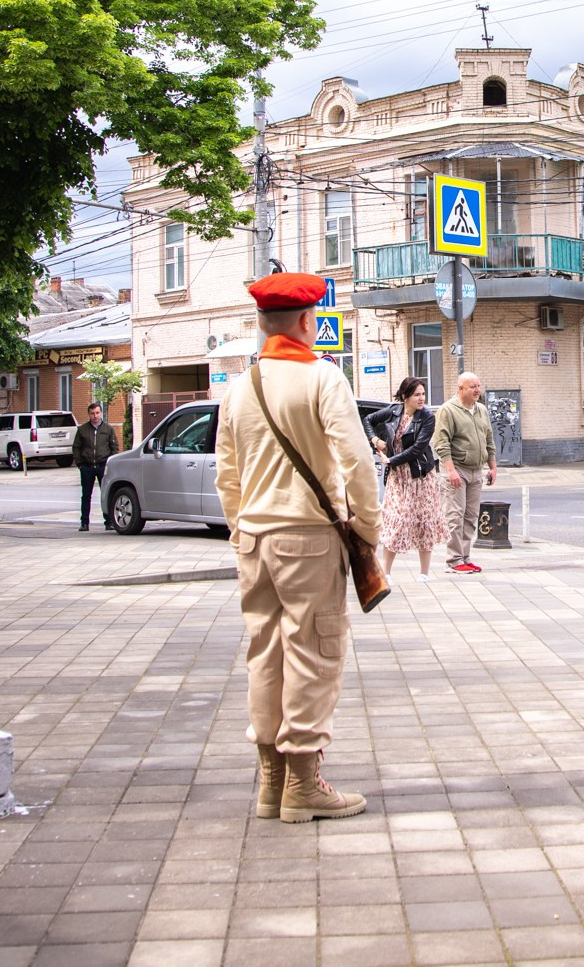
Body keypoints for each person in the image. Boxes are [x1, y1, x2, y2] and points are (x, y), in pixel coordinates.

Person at [214, 270, 380, 823]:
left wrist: (242, 530)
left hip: (254, 542)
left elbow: (227, 474)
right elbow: (356, 460)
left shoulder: (239, 387)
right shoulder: (323, 379)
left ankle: (271, 785)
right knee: (312, 653)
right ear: (309, 321)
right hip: (308, 539)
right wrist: (368, 531)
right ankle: (304, 787)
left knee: (266, 655)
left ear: (264, 323)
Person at [367, 377, 443, 581]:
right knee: (396, 521)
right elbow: (368, 420)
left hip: (419, 477)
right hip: (397, 478)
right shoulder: (394, 411)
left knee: (423, 521)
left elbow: (417, 448)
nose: (421, 398)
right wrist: (375, 440)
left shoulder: (427, 417)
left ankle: (424, 573)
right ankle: (386, 572)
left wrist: (390, 460)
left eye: (423, 394)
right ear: (405, 396)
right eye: (417, 394)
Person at [434, 370, 497, 575]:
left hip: (476, 470)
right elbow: (441, 443)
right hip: (457, 470)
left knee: (471, 516)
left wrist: (493, 466)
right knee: (455, 515)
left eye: (478, 385)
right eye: (473, 386)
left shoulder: (481, 410)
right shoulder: (448, 410)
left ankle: (465, 557)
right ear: (461, 389)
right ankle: (453, 560)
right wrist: (450, 471)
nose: (477, 390)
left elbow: (489, 439)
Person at [74, 401, 119, 532]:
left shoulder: (108, 429)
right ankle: (84, 523)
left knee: (105, 494)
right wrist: (80, 464)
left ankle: (109, 521)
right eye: (92, 413)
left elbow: (114, 447)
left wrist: (109, 464)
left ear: (101, 413)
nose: (95, 416)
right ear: (89, 414)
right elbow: (76, 447)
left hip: (102, 466)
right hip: (87, 467)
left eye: (97, 413)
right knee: (86, 495)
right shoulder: (82, 430)